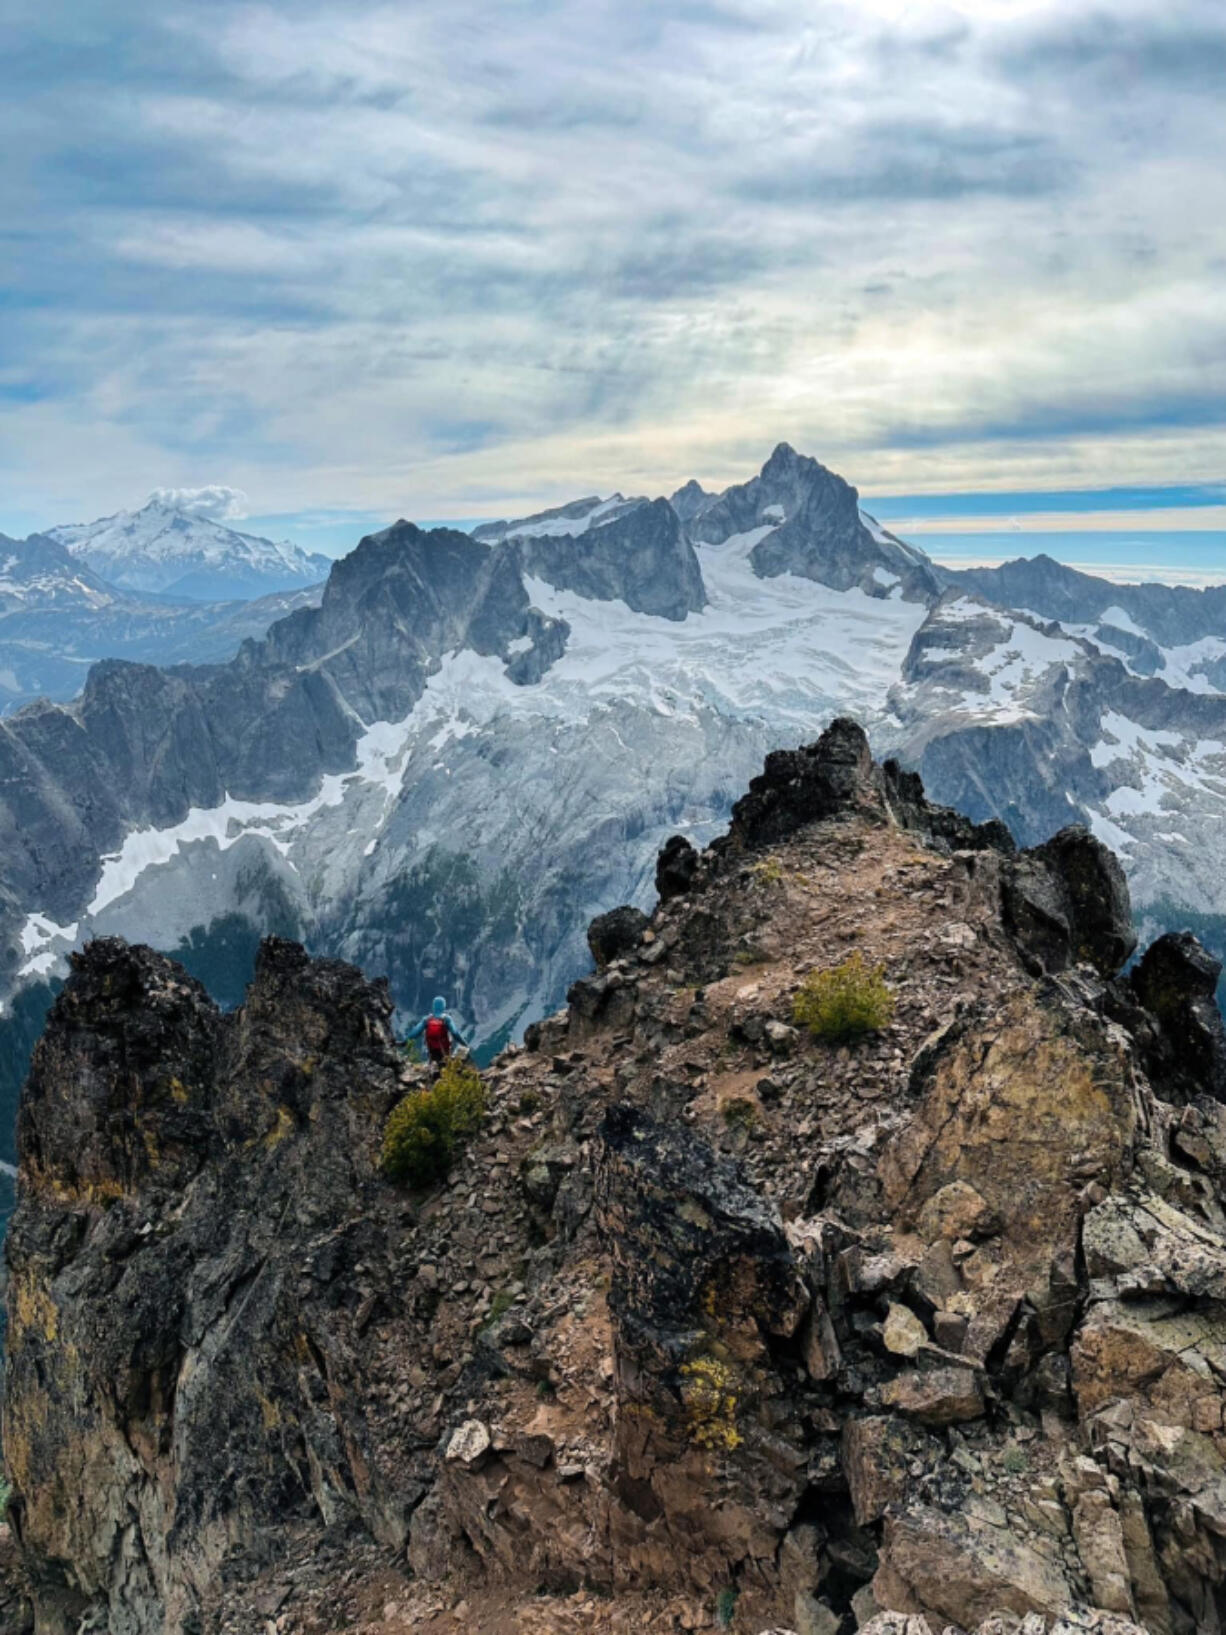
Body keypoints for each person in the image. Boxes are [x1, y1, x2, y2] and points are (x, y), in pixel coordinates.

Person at [405, 996, 468, 1071]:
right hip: (444, 1050)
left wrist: (404, 1042)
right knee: (446, 1066)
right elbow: (455, 1033)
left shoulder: (427, 1019)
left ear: (433, 1006)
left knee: (433, 1064)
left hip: (431, 1049)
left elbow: (415, 1032)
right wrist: (465, 1044)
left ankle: (431, 1071)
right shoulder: (446, 1019)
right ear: (444, 1006)